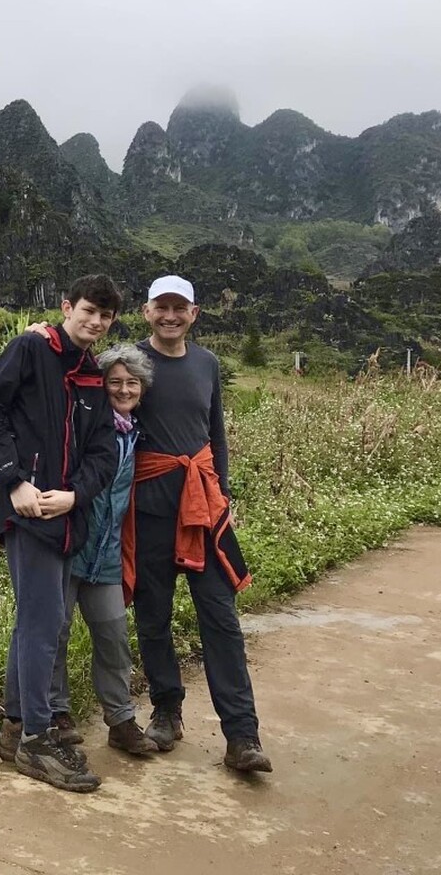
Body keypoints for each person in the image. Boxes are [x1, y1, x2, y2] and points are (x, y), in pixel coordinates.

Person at [0, 274, 122, 792]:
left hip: (66, 516)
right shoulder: (30, 349)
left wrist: (77, 494)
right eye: (87, 311)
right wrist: (13, 481)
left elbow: (104, 450)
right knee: (45, 621)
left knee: (38, 622)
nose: (95, 321)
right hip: (27, 513)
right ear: (66, 307)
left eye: (104, 316)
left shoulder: (93, 374)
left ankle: (16, 727)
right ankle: (37, 739)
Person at [129, 275, 272, 773]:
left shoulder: (207, 363)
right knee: (153, 616)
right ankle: (167, 712)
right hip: (149, 507)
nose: (170, 315)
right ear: (146, 311)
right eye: (161, 307)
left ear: (194, 313)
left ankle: (242, 735)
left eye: (180, 308)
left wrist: (224, 493)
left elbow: (215, 434)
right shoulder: (130, 363)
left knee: (220, 617)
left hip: (203, 508)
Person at [45, 342, 160, 756]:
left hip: (107, 555)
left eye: (133, 383)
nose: (124, 390)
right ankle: (56, 713)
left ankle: (121, 719)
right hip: (71, 547)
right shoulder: (85, 427)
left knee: (113, 635)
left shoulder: (139, 435)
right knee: (54, 632)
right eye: (115, 382)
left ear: (143, 389)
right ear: (101, 385)